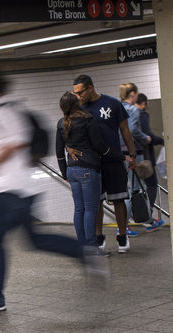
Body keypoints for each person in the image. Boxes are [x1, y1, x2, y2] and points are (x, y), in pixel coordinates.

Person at [0, 70, 103, 312]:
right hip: (19, 189)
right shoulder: (4, 110)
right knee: (34, 240)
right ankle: (84, 252)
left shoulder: (2, 111)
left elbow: (17, 141)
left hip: (8, 191)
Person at [72, 74, 138, 254]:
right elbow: (69, 131)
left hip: (114, 159)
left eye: (80, 92)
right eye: (75, 93)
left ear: (90, 88)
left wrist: (132, 154)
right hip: (92, 163)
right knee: (96, 202)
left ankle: (122, 236)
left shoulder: (112, 104)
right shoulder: (78, 109)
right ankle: (99, 236)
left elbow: (125, 130)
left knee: (118, 199)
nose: (78, 96)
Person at [55, 91, 121, 248]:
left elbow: (59, 151)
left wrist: (65, 172)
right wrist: (116, 155)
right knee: (91, 209)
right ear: (76, 104)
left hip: (72, 170)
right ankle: (92, 247)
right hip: (88, 169)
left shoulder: (61, 123)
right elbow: (99, 145)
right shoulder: (87, 120)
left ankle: (82, 247)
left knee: (79, 209)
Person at [119, 82, 152, 233]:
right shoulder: (133, 109)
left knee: (129, 188)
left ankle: (148, 220)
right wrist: (145, 138)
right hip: (132, 153)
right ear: (132, 93)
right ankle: (124, 228)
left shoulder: (116, 108)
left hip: (119, 155)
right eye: (136, 93)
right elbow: (132, 130)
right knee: (135, 189)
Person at [136, 93, 166, 232]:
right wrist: (162, 141)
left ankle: (127, 224)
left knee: (135, 190)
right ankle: (147, 218)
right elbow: (148, 136)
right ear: (144, 103)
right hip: (145, 158)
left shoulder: (127, 115)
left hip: (131, 158)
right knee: (152, 185)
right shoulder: (142, 115)